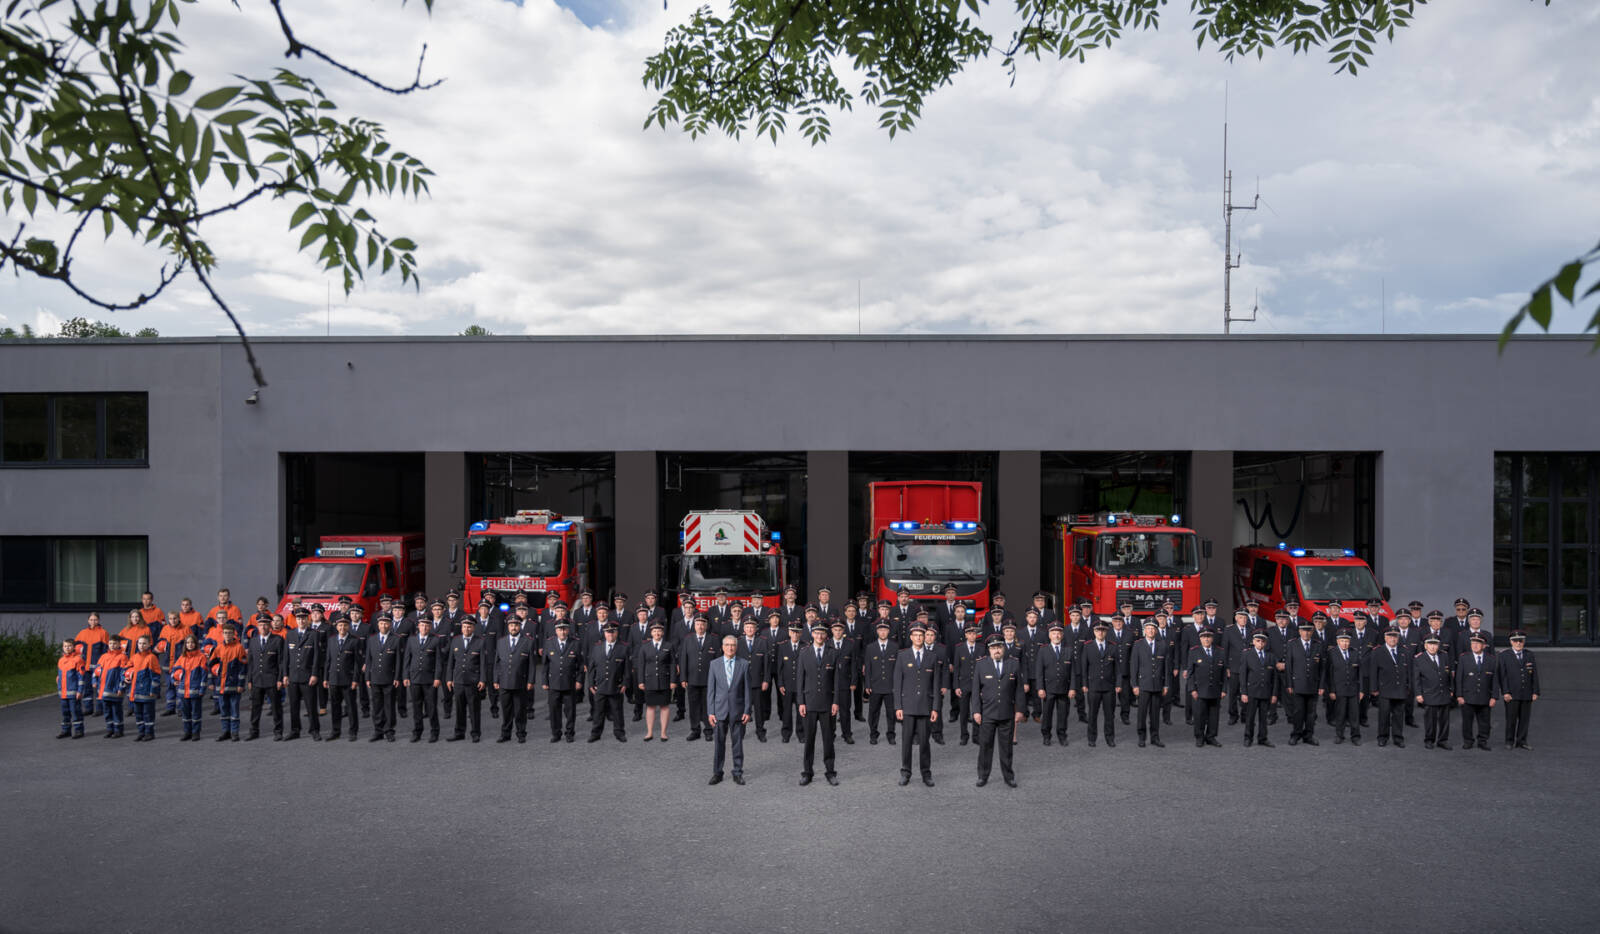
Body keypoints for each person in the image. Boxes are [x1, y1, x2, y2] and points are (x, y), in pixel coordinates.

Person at [972, 635, 1026, 787]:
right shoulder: (981, 665)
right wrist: (976, 711)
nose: (996, 650)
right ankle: (983, 775)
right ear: (989, 650)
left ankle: (1008, 776)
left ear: (1004, 648)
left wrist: (1020, 710)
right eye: (993, 648)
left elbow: (1019, 690)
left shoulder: (1013, 664)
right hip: (987, 713)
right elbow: (975, 690)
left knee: (1006, 747)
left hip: (1006, 713)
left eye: (999, 647)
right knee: (985, 747)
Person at [894, 622, 940, 787]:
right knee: (906, 742)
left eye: (922, 635)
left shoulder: (932, 657)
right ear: (911, 637)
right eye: (916, 635)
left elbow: (936, 685)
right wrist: (898, 706)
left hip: (925, 707)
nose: (919, 638)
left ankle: (926, 773)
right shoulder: (902, 656)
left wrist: (935, 708)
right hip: (907, 706)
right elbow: (897, 683)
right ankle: (905, 772)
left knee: (925, 743)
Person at [705, 634, 754, 785]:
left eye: (733, 645)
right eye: (727, 645)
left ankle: (737, 772)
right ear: (722, 647)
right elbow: (711, 690)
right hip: (719, 711)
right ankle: (717, 773)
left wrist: (747, 711)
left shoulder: (744, 664)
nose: (730, 648)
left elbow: (747, 690)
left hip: (738, 711)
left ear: (736, 647)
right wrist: (710, 712)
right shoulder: (714, 664)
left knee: (737, 744)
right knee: (719, 744)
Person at [796, 623, 840, 786]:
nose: (819, 636)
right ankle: (807, 773)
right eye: (816, 633)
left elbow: (837, 680)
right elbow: (800, 680)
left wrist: (836, 702)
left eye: (822, 633)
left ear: (826, 635)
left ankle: (830, 772)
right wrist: (801, 702)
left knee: (828, 740)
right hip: (809, 703)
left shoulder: (833, 653)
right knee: (809, 740)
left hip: (827, 704)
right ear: (812, 634)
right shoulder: (804, 653)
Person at [493, 615, 537, 743]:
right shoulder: (501, 641)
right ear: (508, 626)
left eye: (516, 625)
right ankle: (505, 734)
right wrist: (495, 679)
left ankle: (521, 734)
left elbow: (532, 664)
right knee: (506, 710)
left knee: (520, 711)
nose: (514, 627)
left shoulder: (528, 641)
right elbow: (497, 663)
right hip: (504, 681)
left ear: (520, 626)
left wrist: (531, 681)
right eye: (511, 625)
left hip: (520, 681)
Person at [1077, 622, 1120, 747]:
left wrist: (1118, 684)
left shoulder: (1113, 647)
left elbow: (1118, 669)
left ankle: (1110, 738)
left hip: (1109, 687)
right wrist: (1084, 684)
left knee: (1109, 715)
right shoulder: (1087, 646)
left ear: (1106, 632)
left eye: (1103, 630)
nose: (1100, 633)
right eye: (1098, 630)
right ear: (1094, 632)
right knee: (1092, 714)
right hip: (1093, 686)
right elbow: (1084, 668)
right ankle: (1092, 738)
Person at [403, 617, 445, 743]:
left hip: (430, 680)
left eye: (427, 625)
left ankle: (434, 732)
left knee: (431, 707)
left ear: (430, 627)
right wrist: (405, 676)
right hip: (415, 678)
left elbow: (439, 661)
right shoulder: (411, 640)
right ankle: (417, 732)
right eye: (422, 625)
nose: (424, 628)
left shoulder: (436, 640)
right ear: (418, 626)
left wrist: (437, 677)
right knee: (416, 708)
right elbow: (407, 659)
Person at [1367, 627, 1411, 747]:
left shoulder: (1405, 651)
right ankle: (1382, 737)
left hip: (1400, 688)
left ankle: (1398, 738)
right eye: (1390, 636)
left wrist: (1409, 687)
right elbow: (1373, 672)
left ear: (1398, 638)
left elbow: (1409, 671)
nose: (1392, 639)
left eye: (1395, 636)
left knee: (1398, 715)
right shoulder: (1377, 652)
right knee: (1384, 715)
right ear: (1385, 637)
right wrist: (1373, 688)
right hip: (1384, 689)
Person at [676, 616, 718, 742]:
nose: (700, 626)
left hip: (708, 679)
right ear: (694, 626)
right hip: (692, 678)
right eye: (698, 624)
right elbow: (683, 659)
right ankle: (695, 730)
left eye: (702, 624)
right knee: (693, 706)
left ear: (706, 626)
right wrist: (683, 678)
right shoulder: (688, 639)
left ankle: (708, 730)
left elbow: (718, 660)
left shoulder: (713, 639)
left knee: (708, 705)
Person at [587, 623, 630, 742]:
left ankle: (619, 733)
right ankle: (595, 734)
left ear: (617, 633)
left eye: (613, 632)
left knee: (617, 711)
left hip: (616, 685)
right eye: (608, 632)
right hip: (599, 685)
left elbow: (627, 669)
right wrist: (590, 684)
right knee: (598, 712)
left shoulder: (623, 647)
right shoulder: (597, 647)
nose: (610, 634)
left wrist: (625, 684)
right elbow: (591, 668)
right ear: (604, 633)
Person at [542, 619, 583, 743]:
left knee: (570, 711)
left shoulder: (575, 643)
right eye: (560, 629)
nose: (562, 632)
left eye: (565, 629)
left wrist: (579, 680)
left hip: (569, 682)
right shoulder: (549, 643)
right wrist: (544, 681)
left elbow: (581, 665)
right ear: (556, 630)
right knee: (554, 710)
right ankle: (556, 733)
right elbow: (545, 664)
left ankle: (569, 733)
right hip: (553, 683)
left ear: (568, 630)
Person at [1034, 622, 1076, 746]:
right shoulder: (1043, 650)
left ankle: (1062, 735)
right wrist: (1040, 688)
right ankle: (1046, 735)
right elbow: (1039, 672)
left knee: (1063, 714)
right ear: (1049, 635)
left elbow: (1073, 672)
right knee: (1047, 714)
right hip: (1048, 689)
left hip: (1064, 688)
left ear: (1062, 635)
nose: (1056, 636)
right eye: (1053, 633)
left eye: (1058, 633)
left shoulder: (1068, 650)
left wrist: (1072, 688)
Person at [283, 609, 322, 741]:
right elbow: (286, 656)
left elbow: (317, 656)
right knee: (293, 706)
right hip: (293, 675)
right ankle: (295, 730)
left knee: (311, 705)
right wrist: (285, 674)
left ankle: (314, 730)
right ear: (296, 620)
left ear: (307, 619)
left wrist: (314, 674)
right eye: (299, 618)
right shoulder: (290, 634)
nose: (301, 621)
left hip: (308, 676)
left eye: (304, 618)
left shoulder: (314, 634)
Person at [322, 616, 363, 741]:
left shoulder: (354, 641)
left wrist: (355, 680)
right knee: (335, 707)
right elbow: (328, 660)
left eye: (345, 625)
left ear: (348, 626)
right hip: (334, 678)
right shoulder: (331, 640)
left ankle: (353, 732)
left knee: (351, 707)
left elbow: (357, 663)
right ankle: (335, 731)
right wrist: (325, 678)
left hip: (348, 680)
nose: (342, 627)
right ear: (336, 627)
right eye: (340, 625)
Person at [1497, 631, 1539, 750]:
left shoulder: (1529, 654)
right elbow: (1502, 676)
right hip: (1512, 693)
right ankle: (1509, 741)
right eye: (1515, 641)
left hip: (1526, 692)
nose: (1518, 643)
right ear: (1511, 642)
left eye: (1521, 640)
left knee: (1524, 719)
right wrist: (1505, 692)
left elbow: (1534, 674)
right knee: (1511, 718)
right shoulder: (1504, 655)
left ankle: (1522, 741)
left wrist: (1535, 691)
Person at [1128, 620, 1167, 748]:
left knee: (1155, 714)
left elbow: (1166, 667)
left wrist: (1166, 684)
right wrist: (1134, 685)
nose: (1150, 631)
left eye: (1153, 628)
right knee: (1142, 713)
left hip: (1157, 685)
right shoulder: (1138, 645)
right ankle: (1141, 737)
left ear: (1156, 630)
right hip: (1143, 684)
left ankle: (1155, 738)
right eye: (1148, 628)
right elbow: (1134, 666)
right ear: (1144, 630)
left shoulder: (1162, 644)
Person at [1455, 631, 1497, 751]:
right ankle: (1468, 741)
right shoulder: (1464, 658)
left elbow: (1495, 679)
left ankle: (1482, 741)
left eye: (1478, 643)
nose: (1475, 645)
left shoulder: (1491, 659)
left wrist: (1494, 697)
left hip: (1485, 696)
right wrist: (1459, 695)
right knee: (1467, 721)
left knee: (1485, 722)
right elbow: (1459, 678)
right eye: (1473, 643)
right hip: (1468, 696)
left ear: (1484, 645)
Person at [446, 616, 486, 742]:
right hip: (458, 680)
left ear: (473, 628)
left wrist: (482, 680)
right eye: (464, 627)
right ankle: (459, 732)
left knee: (474, 709)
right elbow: (450, 662)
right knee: (459, 708)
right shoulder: (455, 640)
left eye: (469, 627)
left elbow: (483, 663)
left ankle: (475, 733)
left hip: (473, 681)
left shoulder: (480, 641)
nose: (466, 629)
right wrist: (449, 678)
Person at [1284, 620, 1324, 746]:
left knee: (1311, 713)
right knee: (1298, 712)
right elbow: (1289, 666)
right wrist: (1289, 684)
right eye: (1303, 630)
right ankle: (1296, 734)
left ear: (1312, 631)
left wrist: (1321, 685)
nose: (1306, 633)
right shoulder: (1292, 644)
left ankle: (1308, 736)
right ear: (1299, 631)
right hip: (1298, 684)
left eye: (1308, 631)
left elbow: (1322, 668)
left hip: (1313, 684)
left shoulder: (1318, 645)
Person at [246, 617, 285, 741]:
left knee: (276, 707)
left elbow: (281, 662)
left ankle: (278, 731)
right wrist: (249, 680)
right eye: (260, 625)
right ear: (257, 626)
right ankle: (254, 731)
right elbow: (250, 663)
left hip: (272, 679)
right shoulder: (253, 641)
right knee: (255, 707)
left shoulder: (277, 640)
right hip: (257, 679)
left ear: (270, 626)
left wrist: (280, 679)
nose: (263, 627)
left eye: (266, 624)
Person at [636, 620, 675, 742]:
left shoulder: (669, 646)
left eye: (659, 631)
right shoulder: (645, 647)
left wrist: (673, 681)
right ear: (651, 633)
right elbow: (641, 665)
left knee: (664, 707)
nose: (657, 633)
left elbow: (673, 664)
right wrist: (641, 681)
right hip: (650, 681)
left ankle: (663, 733)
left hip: (664, 681)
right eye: (654, 631)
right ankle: (649, 732)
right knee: (650, 707)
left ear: (662, 632)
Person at [1186, 628, 1226, 747]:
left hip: (1215, 689)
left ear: (1212, 638)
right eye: (1204, 637)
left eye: (1209, 636)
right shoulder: (1194, 652)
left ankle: (1211, 737)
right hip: (1199, 690)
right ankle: (1199, 737)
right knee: (1199, 715)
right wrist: (1192, 689)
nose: (1206, 639)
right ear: (1200, 638)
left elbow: (1224, 673)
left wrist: (1224, 689)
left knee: (1214, 716)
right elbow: (1190, 673)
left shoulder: (1220, 651)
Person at [1412, 635, 1453, 749]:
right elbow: (1416, 678)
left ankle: (1443, 740)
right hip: (1429, 693)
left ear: (1438, 645)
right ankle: (1429, 740)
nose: (1433, 647)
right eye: (1430, 644)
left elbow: (1449, 675)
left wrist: (1451, 689)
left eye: (1435, 644)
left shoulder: (1444, 655)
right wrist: (1418, 694)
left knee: (1445, 720)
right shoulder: (1419, 658)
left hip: (1444, 692)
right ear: (1425, 646)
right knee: (1430, 719)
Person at [1323, 629, 1363, 745]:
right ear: (1337, 641)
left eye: (1347, 641)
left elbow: (1360, 673)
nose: (1345, 643)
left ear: (1350, 641)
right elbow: (1329, 674)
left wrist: (1361, 690)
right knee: (1340, 714)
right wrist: (1331, 690)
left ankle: (1355, 736)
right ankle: (1339, 735)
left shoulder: (1355, 652)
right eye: (1342, 641)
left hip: (1353, 690)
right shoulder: (1331, 653)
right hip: (1339, 689)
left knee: (1354, 715)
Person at [862, 620, 899, 745]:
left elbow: (898, 669)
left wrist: (897, 685)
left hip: (890, 686)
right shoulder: (870, 647)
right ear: (877, 631)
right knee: (873, 712)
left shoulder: (895, 647)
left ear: (888, 631)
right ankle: (873, 734)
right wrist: (867, 685)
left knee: (891, 713)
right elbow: (868, 668)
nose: (883, 632)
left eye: (885, 630)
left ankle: (891, 734)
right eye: (880, 630)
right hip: (875, 686)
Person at [209, 624, 248, 742]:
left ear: (233, 634)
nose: (227, 635)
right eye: (225, 633)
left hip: (234, 686)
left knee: (234, 710)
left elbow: (243, 668)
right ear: (222, 634)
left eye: (230, 633)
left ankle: (234, 733)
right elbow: (211, 665)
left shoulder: (239, 648)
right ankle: (225, 731)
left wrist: (241, 684)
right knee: (224, 709)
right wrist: (211, 681)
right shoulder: (218, 648)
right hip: (220, 686)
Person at [1239, 631, 1276, 747]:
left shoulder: (1270, 656)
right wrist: (1244, 692)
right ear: (1253, 642)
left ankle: (1263, 738)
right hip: (1252, 691)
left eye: (1263, 641)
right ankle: (1248, 738)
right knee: (1250, 717)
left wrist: (1274, 694)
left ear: (1266, 643)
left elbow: (1275, 677)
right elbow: (1243, 675)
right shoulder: (1247, 655)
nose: (1260, 643)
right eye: (1258, 641)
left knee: (1263, 717)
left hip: (1266, 691)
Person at [170, 635, 209, 741]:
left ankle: (196, 732)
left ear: (196, 644)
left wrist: (202, 689)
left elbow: (204, 675)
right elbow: (174, 671)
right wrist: (173, 680)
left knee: (196, 713)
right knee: (185, 713)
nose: (190, 644)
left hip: (195, 691)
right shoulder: (182, 657)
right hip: (183, 691)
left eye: (192, 642)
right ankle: (187, 732)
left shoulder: (201, 657)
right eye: (187, 643)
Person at [827, 619, 859, 744]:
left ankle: (847, 734)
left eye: (840, 630)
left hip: (845, 682)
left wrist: (853, 682)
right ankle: (831, 733)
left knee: (845, 710)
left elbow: (854, 664)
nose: (838, 632)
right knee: (831, 711)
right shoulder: (827, 643)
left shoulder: (850, 644)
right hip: (829, 684)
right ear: (832, 630)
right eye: (835, 630)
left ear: (843, 631)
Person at [773, 621, 805, 743]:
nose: (795, 634)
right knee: (786, 711)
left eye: (797, 632)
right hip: (787, 685)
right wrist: (780, 684)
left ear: (801, 633)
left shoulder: (805, 646)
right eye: (793, 632)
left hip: (801, 686)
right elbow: (779, 668)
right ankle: (786, 733)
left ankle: (801, 733)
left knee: (801, 711)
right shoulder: (782, 646)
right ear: (789, 632)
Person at [127, 634, 163, 742]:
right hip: (136, 691)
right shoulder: (134, 657)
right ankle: (141, 732)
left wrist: (153, 690)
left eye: (144, 643)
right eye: (140, 643)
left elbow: (156, 675)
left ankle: (149, 733)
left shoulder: (151, 657)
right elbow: (126, 668)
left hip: (147, 692)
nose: (141, 645)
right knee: (138, 714)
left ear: (149, 645)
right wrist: (126, 676)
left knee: (148, 714)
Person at [74, 612, 111, 716]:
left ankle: (99, 708)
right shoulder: (82, 633)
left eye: (95, 620)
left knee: (99, 688)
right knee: (87, 688)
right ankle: (88, 708)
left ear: (98, 620)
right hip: (85, 666)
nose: (93, 622)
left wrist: (104, 664)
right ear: (88, 620)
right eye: (91, 620)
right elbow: (75, 648)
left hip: (98, 666)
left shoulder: (103, 633)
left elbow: (106, 651)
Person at [95, 635, 130, 738]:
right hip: (104, 690)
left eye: (115, 643)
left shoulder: (123, 657)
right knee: (107, 711)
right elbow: (97, 671)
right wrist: (94, 681)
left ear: (119, 644)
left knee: (116, 711)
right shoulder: (103, 657)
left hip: (115, 690)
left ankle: (118, 730)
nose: (112, 645)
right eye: (110, 643)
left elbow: (124, 674)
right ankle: (110, 729)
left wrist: (121, 688)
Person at [55, 640, 89, 739]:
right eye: (65, 646)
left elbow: (81, 677)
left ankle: (79, 730)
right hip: (63, 692)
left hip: (73, 692)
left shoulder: (78, 660)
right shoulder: (61, 660)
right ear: (63, 647)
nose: (67, 648)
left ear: (74, 647)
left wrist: (80, 691)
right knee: (65, 712)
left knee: (75, 712)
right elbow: (60, 675)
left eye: (69, 646)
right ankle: (66, 730)